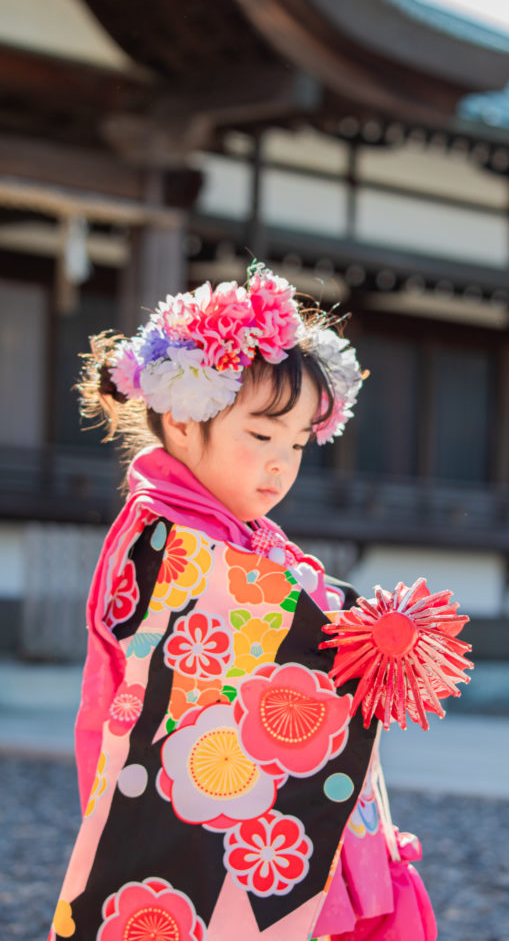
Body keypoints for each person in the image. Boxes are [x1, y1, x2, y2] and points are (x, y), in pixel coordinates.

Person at [48, 263, 468, 941]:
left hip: (261, 814)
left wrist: (346, 621)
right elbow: (235, 618)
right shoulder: (162, 529)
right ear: (184, 422)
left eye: (298, 444)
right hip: (203, 808)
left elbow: (277, 598)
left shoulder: (233, 528)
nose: (282, 463)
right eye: (261, 436)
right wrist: (354, 628)